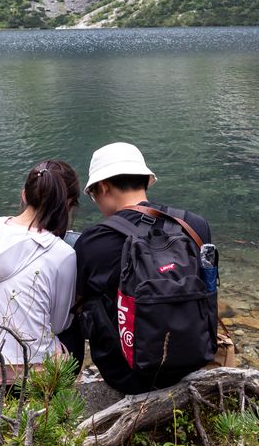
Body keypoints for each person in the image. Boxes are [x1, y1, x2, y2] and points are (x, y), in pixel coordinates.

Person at [68, 142, 216, 394]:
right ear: (146, 180)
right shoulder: (195, 225)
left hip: (126, 375)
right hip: (194, 360)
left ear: (103, 187)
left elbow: (77, 306)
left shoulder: (94, 241)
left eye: (93, 195)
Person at [0, 160, 80, 395]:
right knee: (74, 323)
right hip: (29, 375)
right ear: (67, 205)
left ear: (24, 195)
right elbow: (58, 324)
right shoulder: (62, 253)